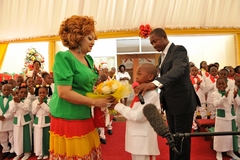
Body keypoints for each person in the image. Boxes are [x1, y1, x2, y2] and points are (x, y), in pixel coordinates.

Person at [49, 15, 114, 160]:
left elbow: (87, 88)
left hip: (84, 113)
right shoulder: (64, 57)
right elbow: (64, 93)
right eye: (90, 38)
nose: (93, 42)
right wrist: (96, 102)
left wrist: (105, 93)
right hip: (68, 117)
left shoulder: (88, 59)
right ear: (77, 37)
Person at [135, 28, 200, 160]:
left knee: (181, 140)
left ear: (164, 37)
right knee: (173, 138)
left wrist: (154, 83)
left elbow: (177, 70)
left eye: (155, 41)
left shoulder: (178, 50)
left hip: (183, 102)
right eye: (152, 43)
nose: (154, 45)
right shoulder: (161, 57)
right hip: (170, 104)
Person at [109, 63, 160, 160]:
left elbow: (137, 116)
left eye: (139, 74)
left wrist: (118, 106)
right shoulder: (141, 92)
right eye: (136, 74)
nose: (136, 77)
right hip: (137, 138)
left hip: (144, 142)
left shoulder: (152, 94)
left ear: (150, 77)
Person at [212, 77, 239, 160]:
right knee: (220, 136)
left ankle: (230, 151)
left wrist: (234, 96)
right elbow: (216, 104)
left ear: (226, 85)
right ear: (216, 85)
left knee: (229, 136)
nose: (221, 85)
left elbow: (236, 103)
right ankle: (219, 152)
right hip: (221, 118)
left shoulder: (230, 92)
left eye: (223, 84)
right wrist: (224, 97)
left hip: (230, 117)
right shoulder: (214, 94)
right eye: (219, 84)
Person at [9, 84, 32, 160]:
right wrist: (15, 103)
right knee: (17, 137)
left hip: (25, 120)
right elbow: (12, 111)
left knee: (26, 137)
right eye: (21, 92)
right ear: (18, 92)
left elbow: (27, 109)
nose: (23, 94)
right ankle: (19, 153)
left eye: (25, 93)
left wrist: (19, 103)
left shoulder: (27, 100)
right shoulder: (12, 101)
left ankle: (27, 152)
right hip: (17, 121)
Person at [32, 86, 50, 159]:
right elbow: (33, 112)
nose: (41, 94)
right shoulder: (34, 102)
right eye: (40, 93)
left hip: (46, 121)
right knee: (38, 138)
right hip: (38, 122)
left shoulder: (49, 100)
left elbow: (50, 111)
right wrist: (39, 104)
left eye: (43, 92)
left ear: (47, 93)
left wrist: (42, 104)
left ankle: (46, 152)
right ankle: (39, 153)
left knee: (46, 137)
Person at [0, 84, 16, 159]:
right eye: (4, 90)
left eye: (8, 90)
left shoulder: (13, 99)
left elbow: (14, 111)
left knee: (12, 136)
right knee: (2, 137)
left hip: (10, 120)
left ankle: (13, 150)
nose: (6, 91)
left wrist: (5, 116)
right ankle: (5, 149)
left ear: (11, 90)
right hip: (0, 121)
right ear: (1, 90)